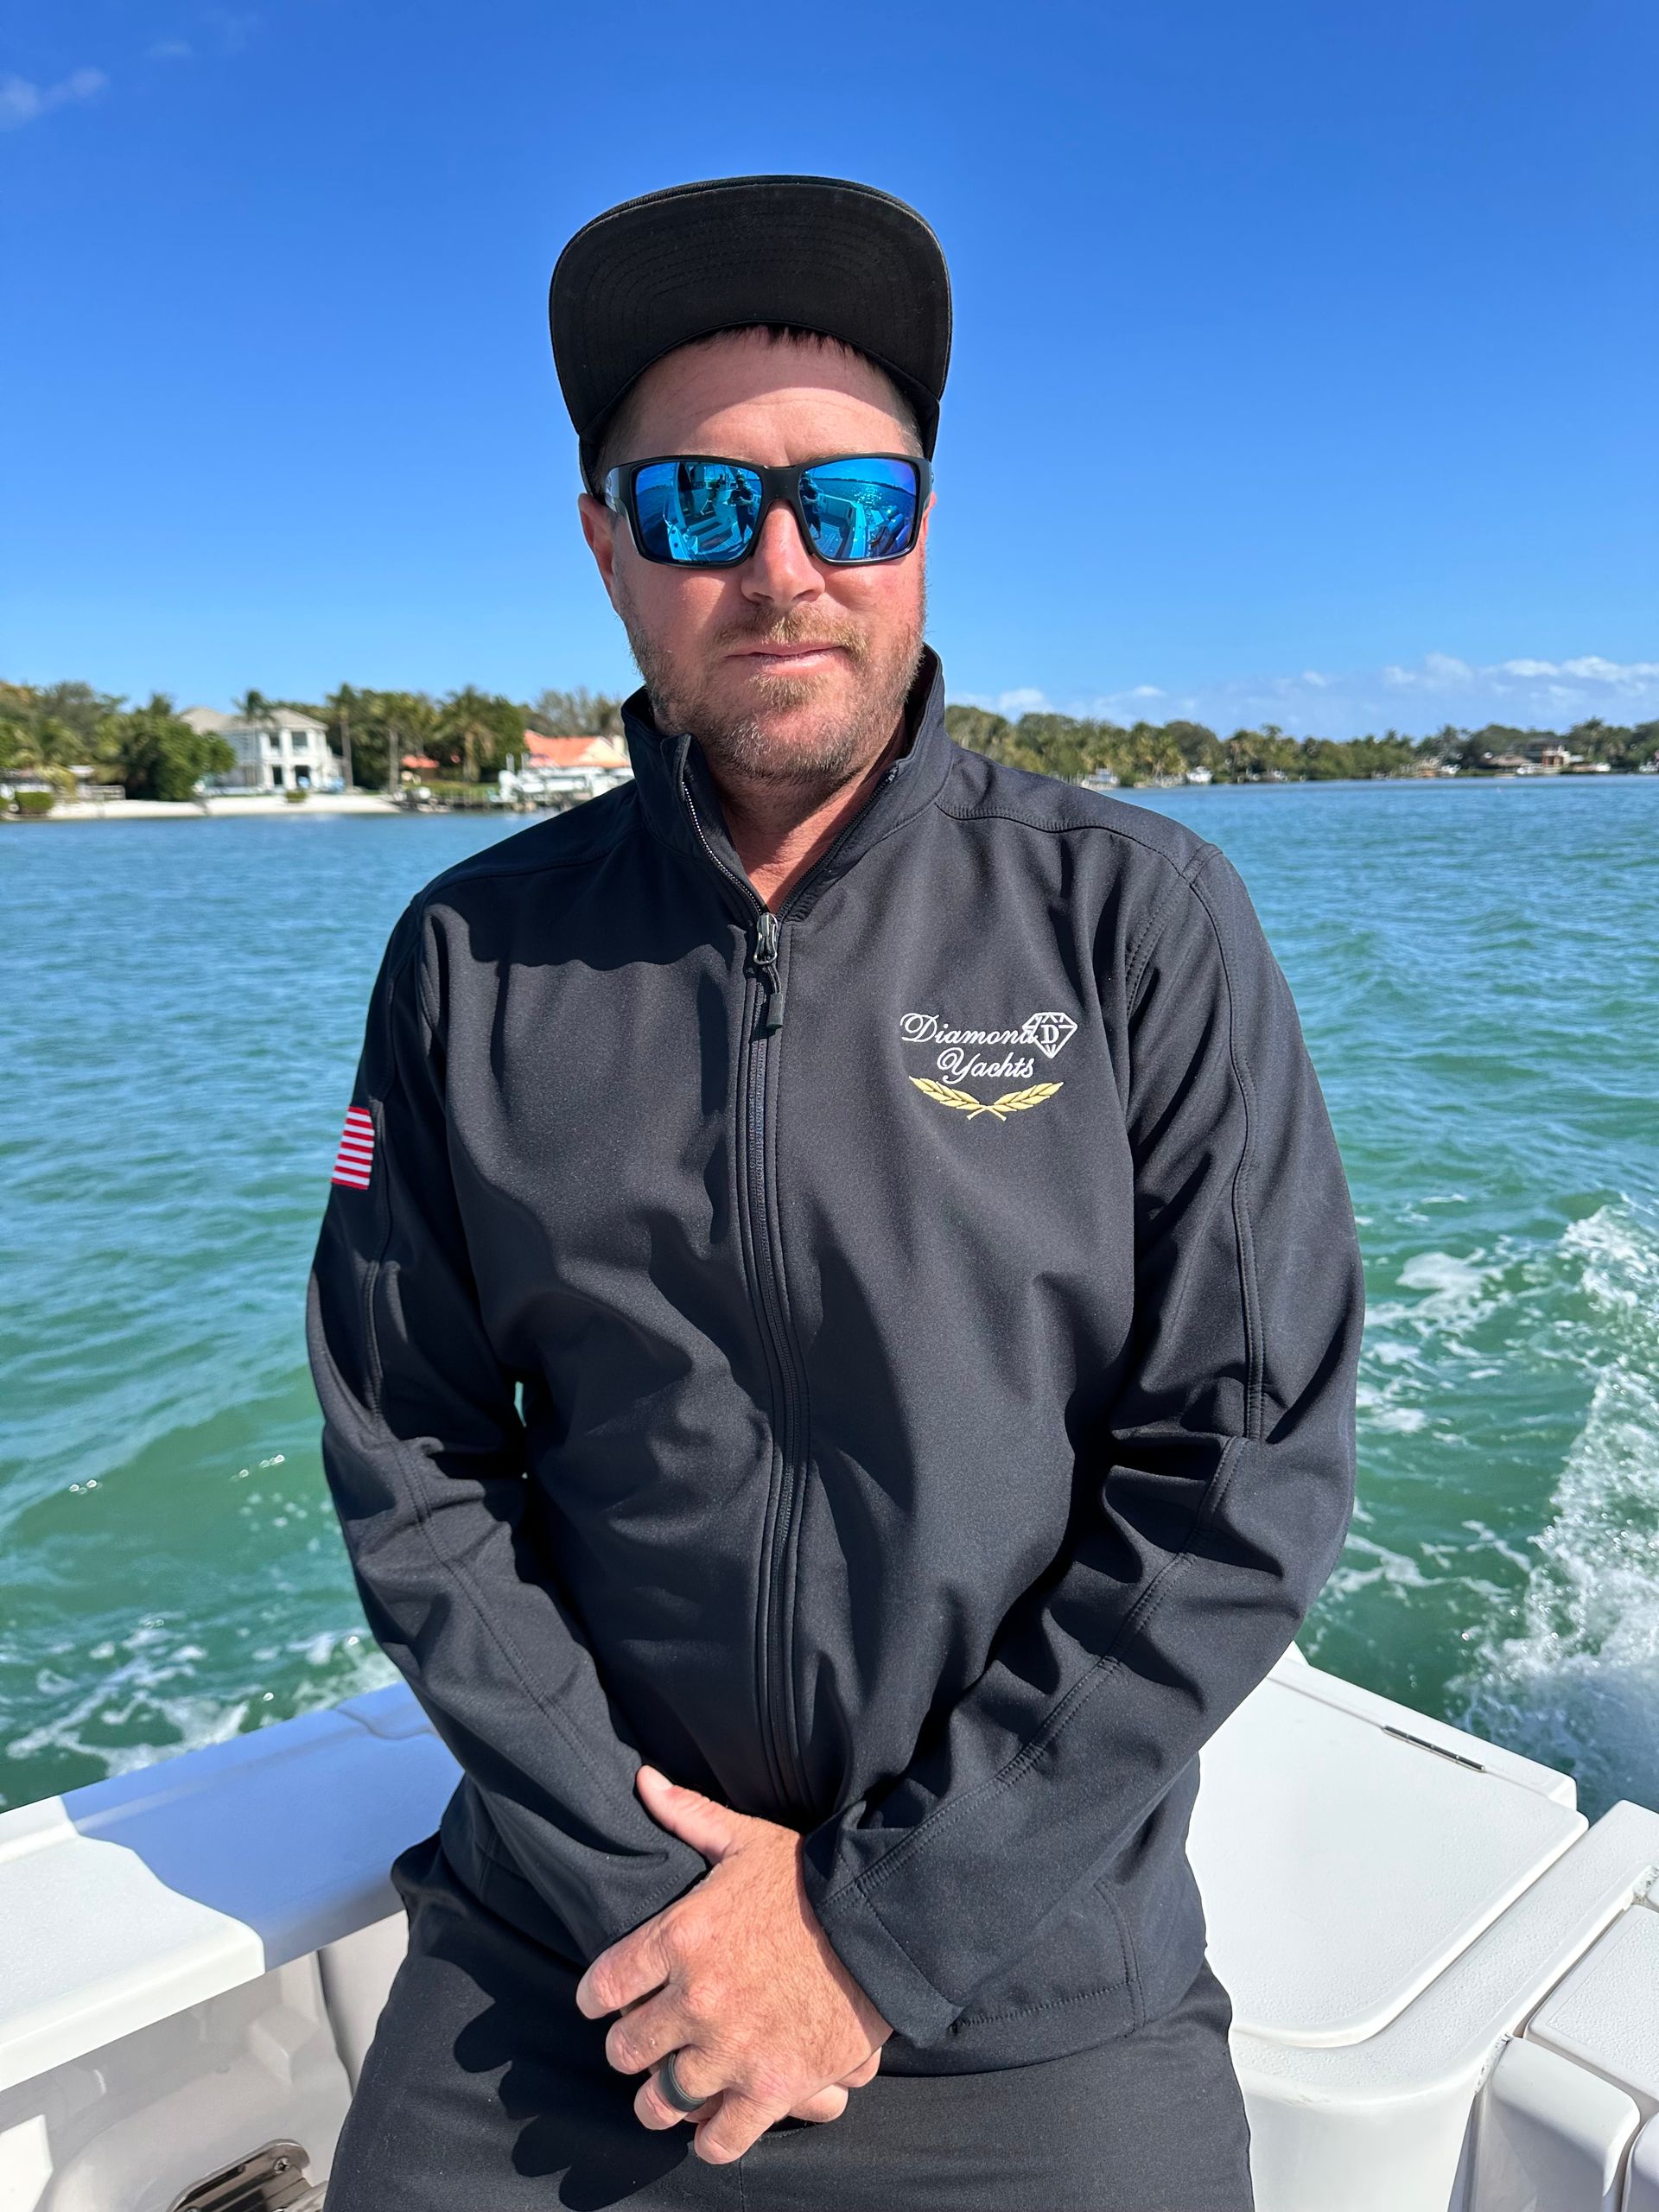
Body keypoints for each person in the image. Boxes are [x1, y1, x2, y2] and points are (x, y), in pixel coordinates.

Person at [308, 174, 1364, 2211]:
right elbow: (413, 1457)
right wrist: (658, 1894)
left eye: (853, 503)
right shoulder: (468, 959)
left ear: (923, 530)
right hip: (574, 1947)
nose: (786, 565)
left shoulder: (1139, 921)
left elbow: (1242, 1472)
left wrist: (865, 1935)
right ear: (611, 544)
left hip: (1029, 1972)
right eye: (707, 506)